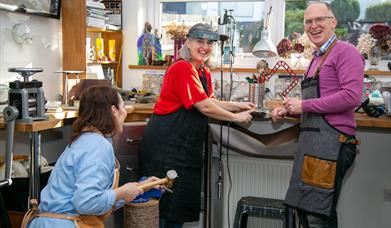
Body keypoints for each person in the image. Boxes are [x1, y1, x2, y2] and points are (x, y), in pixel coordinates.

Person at [138, 23, 256, 228]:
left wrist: (238, 105)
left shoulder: (202, 71)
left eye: (209, 43)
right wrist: (235, 117)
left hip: (185, 147)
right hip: (166, 147)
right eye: (200, 41)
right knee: (164, 209)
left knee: (179, 207)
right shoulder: (182, 67)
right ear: (188, 42)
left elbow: (210, 101)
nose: (205, 46)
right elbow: (204, 107)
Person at [272, 2, 364, 228]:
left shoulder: (346, 51)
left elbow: (351, 97)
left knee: (318, 215)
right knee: (306, 210)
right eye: (308, 21)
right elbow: (316, 105)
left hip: (332, 144)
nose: (313, 26)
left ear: (333, 22)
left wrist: (303, 105)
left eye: (319, 20)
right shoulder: (316, 58)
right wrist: (290, 111)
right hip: (312, 144)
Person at [22, 86, 159, 228]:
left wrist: (136, 189)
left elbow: (97, 202)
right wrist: (122, 192)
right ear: (113, 111)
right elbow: (86, 203)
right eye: (123, 107)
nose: (125, 112)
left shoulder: (86, 140)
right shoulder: (97, 146)